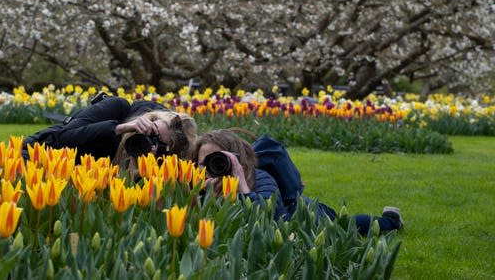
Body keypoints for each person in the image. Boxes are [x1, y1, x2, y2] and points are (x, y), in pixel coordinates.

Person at [190, 129, 403, 235]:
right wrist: (200, 197)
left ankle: (390, 221)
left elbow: (265, 215)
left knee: (345, 228)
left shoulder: (260, 178)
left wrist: (242, 188)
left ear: (235, 160)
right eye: (202, 163)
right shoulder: (194, 187)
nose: (210, 168)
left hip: (305, 219)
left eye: (217, 161)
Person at [21, 94, 197, 165]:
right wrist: (119, 129)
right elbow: (64, 139)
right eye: (152, 134)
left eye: (160, 145)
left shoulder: (152, 157)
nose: (151, 143)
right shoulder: (118, 108)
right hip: (37, 156)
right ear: (150, 118)